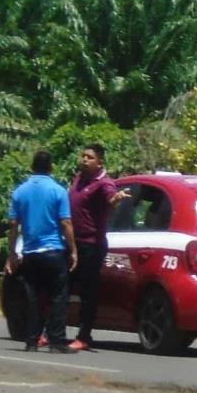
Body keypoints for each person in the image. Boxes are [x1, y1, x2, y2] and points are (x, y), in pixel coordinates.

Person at [6, 150, 78, 353]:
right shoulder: (58, 191)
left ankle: (31, 340)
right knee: (58, 296)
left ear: (32, 166)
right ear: (51, 167)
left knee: (33, 297)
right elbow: (65, 222)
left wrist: (12, 253)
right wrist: (73, 250)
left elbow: (13, 224)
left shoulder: (20, 192)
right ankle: (56, 340)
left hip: (30, 252)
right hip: (54, 250)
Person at [66, 143, 128, 351]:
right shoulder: (79, 178)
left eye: (90, 157)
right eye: (83, 156)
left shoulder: (103, 183)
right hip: (72, 242)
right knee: (62, 288)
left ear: (99, 162)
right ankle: (53, 331)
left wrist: (115, 199)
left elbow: (111, 197)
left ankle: (84, 336)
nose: (84, 159)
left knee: (87, 292)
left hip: (91, 244)